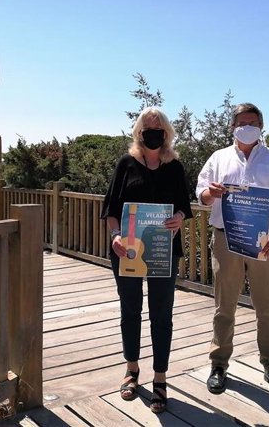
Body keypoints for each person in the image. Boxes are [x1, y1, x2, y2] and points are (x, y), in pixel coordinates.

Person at [196, 102, 269, 396]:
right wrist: (209, 194)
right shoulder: (218, 157)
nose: (247, 126)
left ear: (261, 126)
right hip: (227, 239)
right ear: (233, 127)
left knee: (266, 307)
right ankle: (218, 364)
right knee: (223, 307)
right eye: (242, 122)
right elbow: (201, 192)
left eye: (252, 122)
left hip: (265, 239)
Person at [101, 107, 193, 414]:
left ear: (166, 133)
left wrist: (179, 218)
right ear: (139, 132)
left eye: (158, 128)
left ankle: (160, 378)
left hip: (163, 251)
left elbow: (184, 206)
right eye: (147, 128)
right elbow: (111, 209)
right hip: (126, 251)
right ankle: (132, 369)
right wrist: (115, 236)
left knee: (161, 314)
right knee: (130, 310)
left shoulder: (175, 166)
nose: (152, 133)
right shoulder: (125, 164)